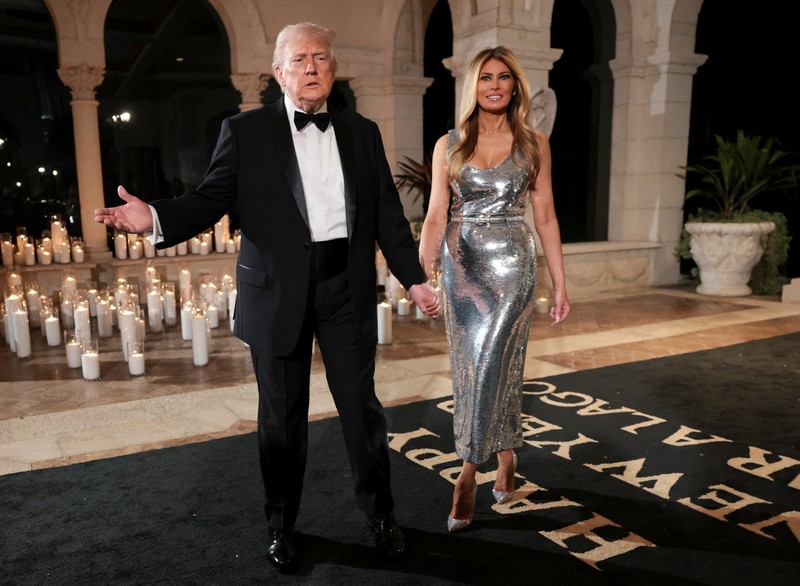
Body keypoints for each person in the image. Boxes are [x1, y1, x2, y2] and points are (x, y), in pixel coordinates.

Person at [95, 22, 439, 572]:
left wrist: (414, 277)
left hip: (345, 289)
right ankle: (281, 526)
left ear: (333, 69)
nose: (311, 68)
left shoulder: (363, 132)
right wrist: (154, 215)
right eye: (299, 59)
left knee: (362, 413)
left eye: (321, 58)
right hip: (277, 293)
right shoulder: (245, 131)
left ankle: (380, 515)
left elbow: (386, 215)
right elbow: (210, 199)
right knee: (282, 422)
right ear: (279, 72)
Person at [418, 46, 571, 532]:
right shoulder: (450, 144)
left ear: (515, 86)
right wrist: (423, 275)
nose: (496, 85)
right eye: (486, 77)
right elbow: (436, 214)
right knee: (477, 370)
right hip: (463, 267)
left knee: (493, 363)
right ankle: (507, 457)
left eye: (504, 77)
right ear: (473, 85)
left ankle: (466, 473)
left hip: (513, 268)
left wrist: (561, 284)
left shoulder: (535, 143)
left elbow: (544, 215)